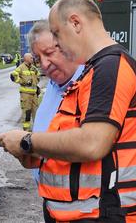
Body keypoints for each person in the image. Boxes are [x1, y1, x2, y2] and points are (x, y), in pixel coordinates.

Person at [0, 0, 136, 223]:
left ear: (75, 23)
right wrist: (33, 154)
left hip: (105, 214)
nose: (56, 42)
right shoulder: (92, 72)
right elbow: (74, 142)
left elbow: (92, 143)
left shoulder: (110, 68)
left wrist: (28, 140)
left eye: (57, 34)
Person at [28, 20, 84, 184]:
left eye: (49, 53)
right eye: (38, 58)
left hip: (79, 205)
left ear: (67, 46)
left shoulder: (88, 83)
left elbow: (86, 145)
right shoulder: (53, 86)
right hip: (52, 198)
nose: (44, 64)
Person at [10, 53, 40, 131]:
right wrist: (22, 82)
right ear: (26, 59)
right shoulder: (21, 67)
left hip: (34, 94)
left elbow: (38, 76)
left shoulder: (33, 68)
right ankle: (26, 131)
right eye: (31, 58)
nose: (32, 59)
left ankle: (37, 130)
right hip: (25, 95)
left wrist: (35, 84)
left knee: (36, 113)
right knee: (27, 113)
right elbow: (13, 76)